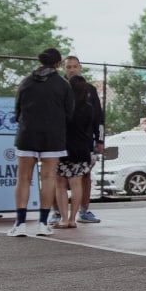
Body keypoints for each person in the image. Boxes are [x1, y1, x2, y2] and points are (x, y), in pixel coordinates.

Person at [9, 48, 74, 237]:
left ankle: (20, 224)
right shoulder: (63, 85)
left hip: (27, 134)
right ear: (58, 63)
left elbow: (17, 109)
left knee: (23, 179)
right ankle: (42, 224)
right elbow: (69, 112)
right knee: (48, 178)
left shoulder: (26, 82)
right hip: (53, 136)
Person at [60, 56, 104, 224]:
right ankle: (58, 213)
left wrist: (100, 140)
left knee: (84, 176)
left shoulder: (90, 90)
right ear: (64, 68)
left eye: (74, 66)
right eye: (68, 67)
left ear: (80, 67)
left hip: (84, 142)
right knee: (60, 179)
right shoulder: (59, 87)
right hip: (62, 142)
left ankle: (84, 210)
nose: (71, 69)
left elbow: (99, 118)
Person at [53, 75, 97, 228]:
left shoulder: (64, 107)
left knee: (60, 184)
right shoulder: (88, 108)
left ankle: (63, 218)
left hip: (64, 149)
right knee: (77, 182)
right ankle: (73, 218)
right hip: (82, 149)